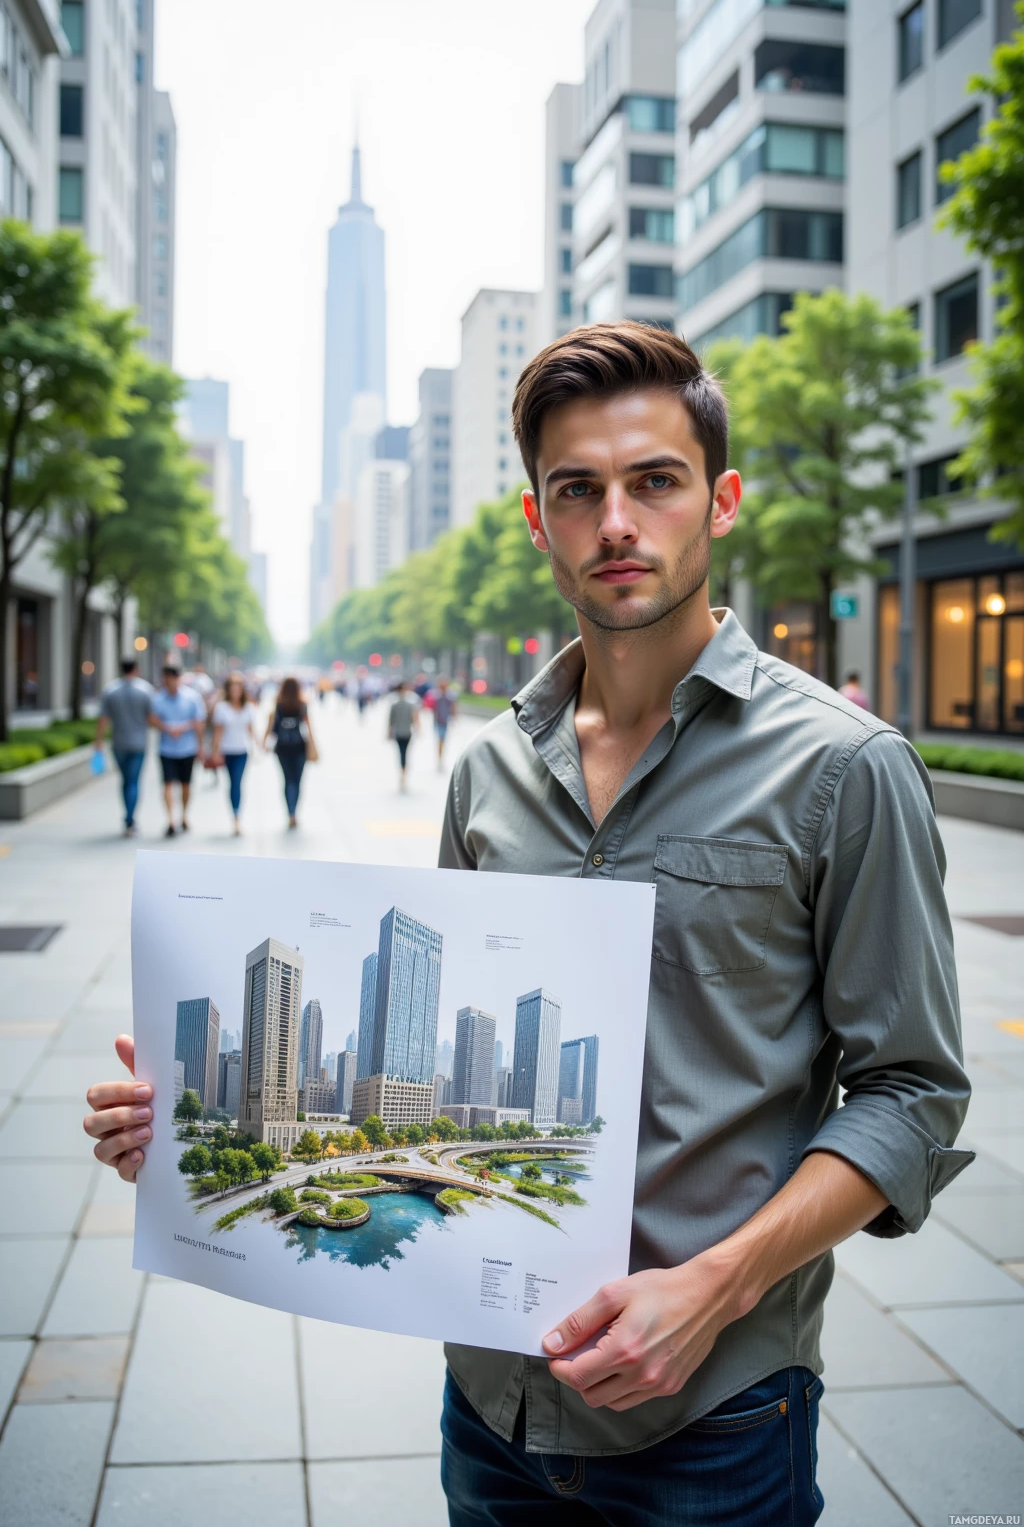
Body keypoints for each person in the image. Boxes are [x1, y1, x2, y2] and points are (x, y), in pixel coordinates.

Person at [81, 323, 972, 1525]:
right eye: (578, 490)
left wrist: (712, 1286)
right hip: (490, 1411)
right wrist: (199, 1128)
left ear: (720, 501)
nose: (616, 520)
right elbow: (441, 1064)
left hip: (714, 1421)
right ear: (536, 519)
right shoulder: (487, 770)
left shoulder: (845, 768)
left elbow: (911, 1094)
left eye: (653, 481)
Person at [94, 658, 153, 836]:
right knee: (133, 782)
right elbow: (151, 717)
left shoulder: (111, 690)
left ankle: (128, 817)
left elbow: (103, 720)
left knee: (126, 780)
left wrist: (98, 741)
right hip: (138, 744)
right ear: (136, 669)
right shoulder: (145, 690)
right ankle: (130, 819)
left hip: (118, 743)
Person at [149, 665, 205, 837]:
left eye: (170, 678)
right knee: (167, 784)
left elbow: (199, 722)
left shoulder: (192, 697)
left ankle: (184, 815)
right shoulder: (158, 699)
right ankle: (170, 820)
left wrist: (198, 744)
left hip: (187, 748)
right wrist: (166, 728)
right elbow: (152, 719)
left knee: (186, 785)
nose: (168, 682)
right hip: (166, 749)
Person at [265, 675, 314, 828]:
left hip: (282, 747)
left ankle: (290, 811)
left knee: (287, 780)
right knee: (297, 781)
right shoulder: (302, 704)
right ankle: (294, 810)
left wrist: (264, 742)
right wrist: (313, 745)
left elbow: (273, 726)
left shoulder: (278, 704)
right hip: (299, 747)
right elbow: (309, 727)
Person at [211, 673, 256, 835]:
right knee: (231, 783)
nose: (235, 692)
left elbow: (251, 729)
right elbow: (218, 732)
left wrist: (257, 746)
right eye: (232, 689)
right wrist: (215, 752)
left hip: (242, 750)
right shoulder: (222, 708)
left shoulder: (248, 707)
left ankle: (237, 817)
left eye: (238, 688)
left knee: (237, 782)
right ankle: (234, 812)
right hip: (226, 750)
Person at [387, 680, 419, 790]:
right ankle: (404, 773)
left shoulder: (395, 704)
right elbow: (415, 718)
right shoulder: (410, 704)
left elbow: (390, 721)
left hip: (400, 733)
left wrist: (389, 732)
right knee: (404, 753)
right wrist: (417, 728)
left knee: (401, 753)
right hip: (406, 732)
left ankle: (402, 773)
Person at [431, 676, 458, 770]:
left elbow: (453, 707)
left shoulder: (450, 695)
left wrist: (454, 718)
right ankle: (440, 759)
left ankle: (441, 758)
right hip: (437, 721)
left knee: (443, 740)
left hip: (445, 721)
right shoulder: (435, 695)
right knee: (440, 739)